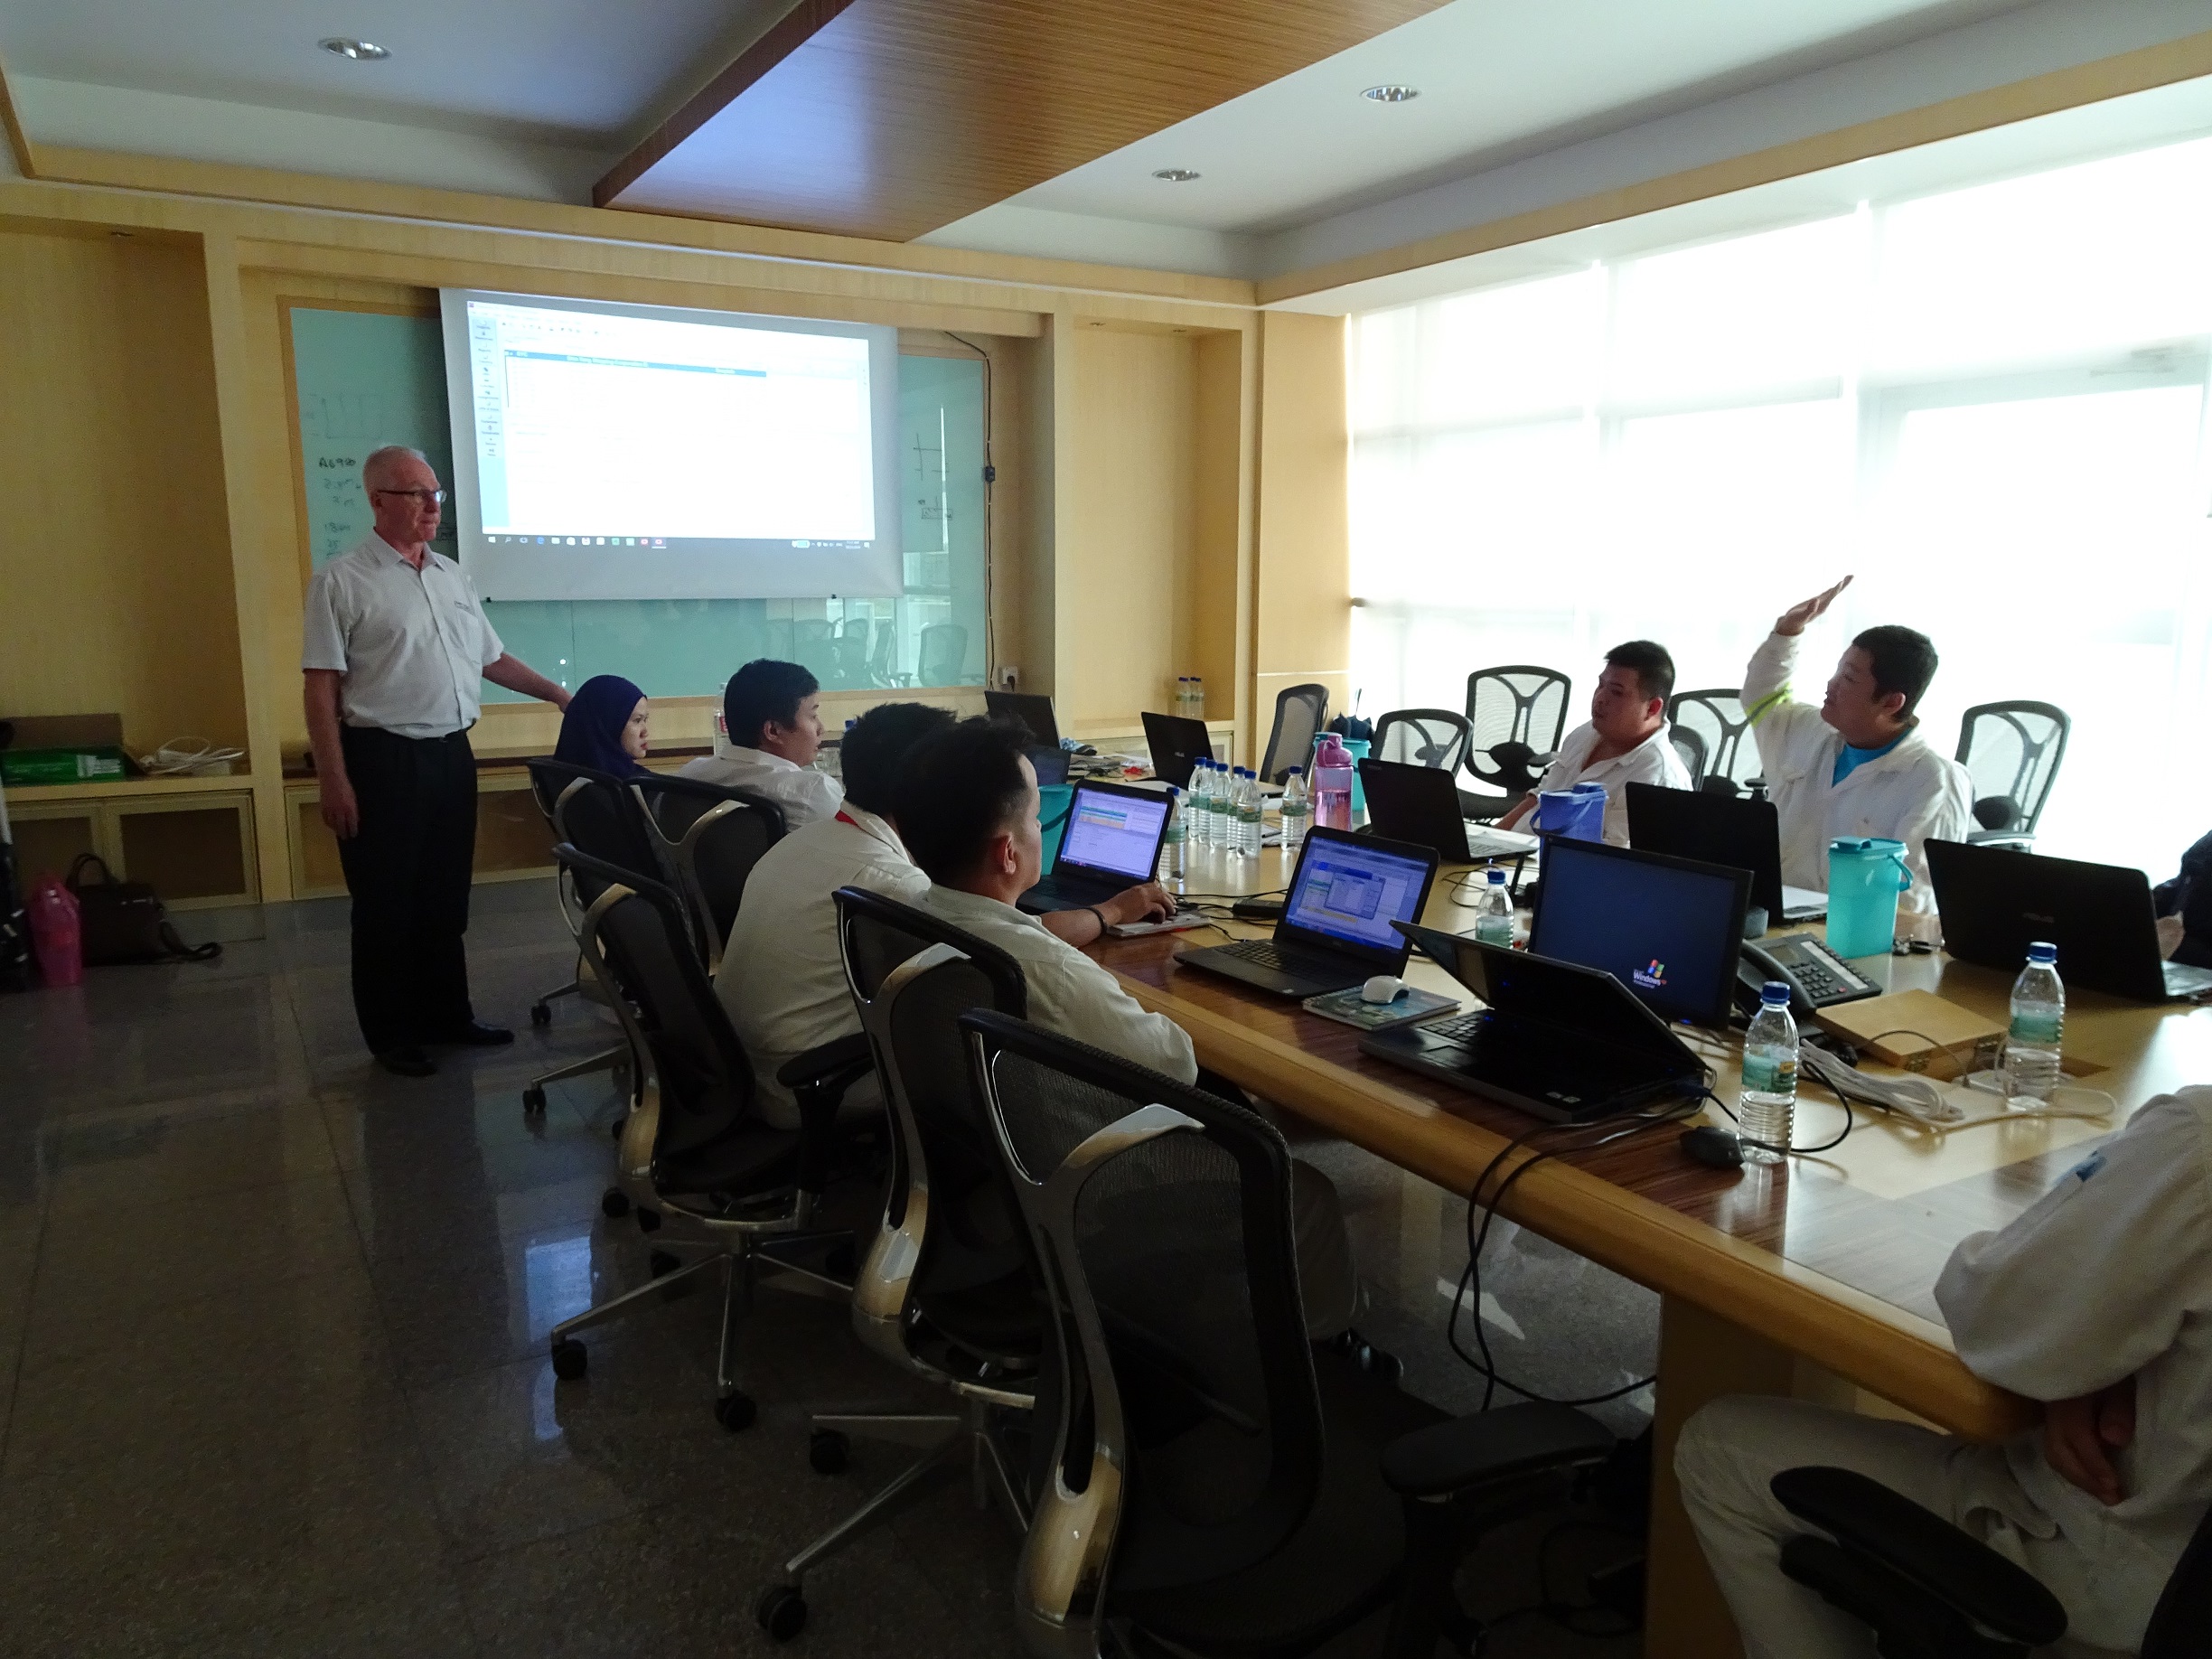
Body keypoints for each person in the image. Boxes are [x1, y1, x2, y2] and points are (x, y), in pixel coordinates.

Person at [1676, 1086, 2212, 1657]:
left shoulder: (2196, 1143)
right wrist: (2095, 1350)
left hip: (2132, 1589)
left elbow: (1993, 1307)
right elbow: (2054, 1317)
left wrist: (2074, 1344)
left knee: (1721, 1450)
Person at [891, 716, 1363, 1340]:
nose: (1040, 829)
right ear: (1008, 853)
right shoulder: (1040, 965)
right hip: (1089, 1171)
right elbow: (1173, 1065)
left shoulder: (913, 915)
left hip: (992, 1155)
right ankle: (1303, 1363)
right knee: (1303, 1189)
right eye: (1035, 817)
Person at [716, 703, 1174, 1129]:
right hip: (813, 1084)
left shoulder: (801, 842)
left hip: (742, 1066)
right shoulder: (892, 886)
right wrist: (1112, 911)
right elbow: (1006, 945)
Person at [301, 445, 572, 1077]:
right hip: (382, 759)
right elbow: (320, 687)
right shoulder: (341, 581)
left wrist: (559, 694)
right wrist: (334, 778)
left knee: (445, 897)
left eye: (436, 493)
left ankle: (448, 1015)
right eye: (417, 494)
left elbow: (490, 658)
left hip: (451, 754)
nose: (432, 506)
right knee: (386, 902)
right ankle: (392, 1035)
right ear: (378, 501)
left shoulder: (451, 575)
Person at [1742, 576, 1971, 931]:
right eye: (1837, 671)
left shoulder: (1934, 780)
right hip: (1772, 921)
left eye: (1848, 679)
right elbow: (1762, 696)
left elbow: (1911, 902)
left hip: (1851, 937)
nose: (1831, 684)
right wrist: (1787, 633)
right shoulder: (1812, 731)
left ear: (1891, 702)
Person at [1498, 640, 1691, 846]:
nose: (1600, 698)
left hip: (1550, 862)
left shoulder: (1658, 779)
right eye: (1600, 685)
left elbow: (1614, 857)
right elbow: (1538, 798)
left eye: (1616, 692)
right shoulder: (1585, 733)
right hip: (1513, 852)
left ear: (1652, 708)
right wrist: (1488, 839)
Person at [680, 659, 841, 830]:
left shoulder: (688, 775)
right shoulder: (813, 792)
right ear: (773, 731)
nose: (821, 729)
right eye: (813, 716)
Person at [553, 674, 652, 778]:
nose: (645, 732)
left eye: (645, 719)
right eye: (637, 720)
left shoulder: (559, 776)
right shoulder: (629, 783)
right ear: (607, 726)